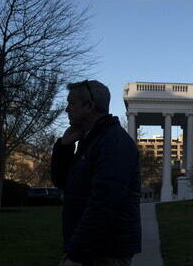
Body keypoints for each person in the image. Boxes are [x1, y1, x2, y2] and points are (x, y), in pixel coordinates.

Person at [51, 80, 141, 266]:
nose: (67, 109)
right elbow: (62, 182)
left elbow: (104, 204)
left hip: (105, 252)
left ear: (90, 106)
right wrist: (64, 147)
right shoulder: (90, 142)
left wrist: (76, 255)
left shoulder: (113, 142)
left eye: (72, 103)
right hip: (90, 250)